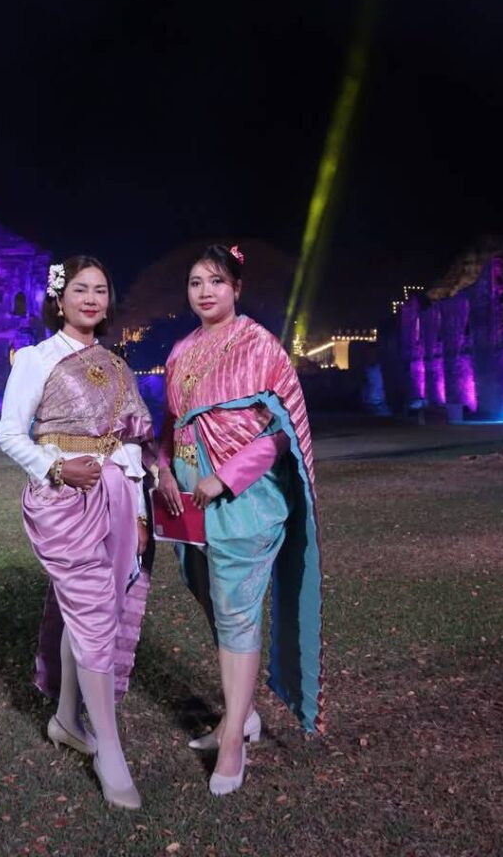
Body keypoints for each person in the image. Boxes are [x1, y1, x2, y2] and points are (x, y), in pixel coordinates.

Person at [157, 244, 323, 796]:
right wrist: (164, 468)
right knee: (212, 601)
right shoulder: (181, 350)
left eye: (216, 281)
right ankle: (241, 714)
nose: (205, 291)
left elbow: (282, 433)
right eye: (195, 282)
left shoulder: (259, 346)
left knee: (236, 614)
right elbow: (172, 423)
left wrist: (226, 477)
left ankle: (233, 742)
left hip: (243, 502)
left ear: (237, 288)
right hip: (187, 504)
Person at [0, 256, 153, 810]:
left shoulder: (116, 365)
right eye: (81, 289)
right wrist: (57, 468)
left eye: (101, 290)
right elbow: (10, 435)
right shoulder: (36, 359)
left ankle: (66, 719)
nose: (91, 299)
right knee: (92, 616)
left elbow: (132, 443)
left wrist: (139, 513)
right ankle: (110, 752)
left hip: (117, 497)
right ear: (59, 298)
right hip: (64, 500)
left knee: (91, 613)